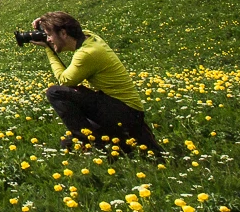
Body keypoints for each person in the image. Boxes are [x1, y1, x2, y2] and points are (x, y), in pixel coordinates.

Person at [28, 11, 163, 158]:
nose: (47, 39)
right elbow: (70, 24)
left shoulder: (87, 53)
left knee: (55, 92)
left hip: (125, 111)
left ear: (64, 33)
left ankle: (94, 144)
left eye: (49, 35)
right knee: (68, 144)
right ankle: (118, 143)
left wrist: (48, 50)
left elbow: (64, 80)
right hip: (124, 109)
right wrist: (48, 21)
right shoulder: (90, 37)